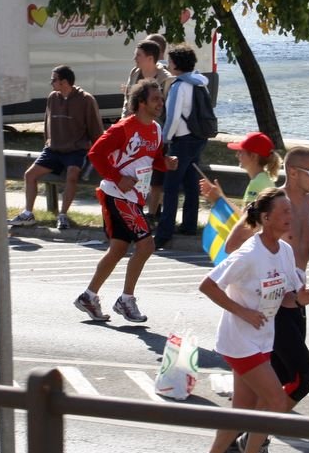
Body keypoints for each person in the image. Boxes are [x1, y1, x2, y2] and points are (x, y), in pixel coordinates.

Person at [193, 187, 309, 453]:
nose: (291, 216)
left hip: (263, 339)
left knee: (243, 410)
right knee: (275, 402)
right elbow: (207, 285)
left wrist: (298, 299)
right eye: (285, 212)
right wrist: (243, 311)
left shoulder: (284, 252)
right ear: (265, 218)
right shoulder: (249, 255)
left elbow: (286, 297)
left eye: (292, 210)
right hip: (239, 341)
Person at [219, 146, 309, 453]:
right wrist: (261, 277)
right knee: (303, 379)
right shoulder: (271, 204)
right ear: (294, 172)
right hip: (272, 305)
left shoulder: (308, 203)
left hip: (297, 301)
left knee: (281, 378)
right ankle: (255, 443)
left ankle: (236, 440)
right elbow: (232, 248)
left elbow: (305, 236)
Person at [74, 79, 177, 323]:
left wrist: (166, 163)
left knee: (118, 249)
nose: (160, 103)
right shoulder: (123, 128)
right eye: (155, 99)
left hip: (135, 196)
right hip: (117, 195)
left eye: (161, 98)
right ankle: (126, 300)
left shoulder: (156, 129)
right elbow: (95, 154)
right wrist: (118, 178)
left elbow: (153, 160)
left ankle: (88, 296)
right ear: (141, 103)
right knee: (146, 245)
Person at [8, 65, 104, 230]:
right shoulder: (53, 97)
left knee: (72, 175)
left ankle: (63, 215)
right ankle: (28, 214)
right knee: (30, 175)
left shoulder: (86, 99)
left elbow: (96, 128)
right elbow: (47, 123)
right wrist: (48, 142)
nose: (51, 83)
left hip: (76, 149)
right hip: (53, 149)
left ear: (64, 82)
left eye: (54, 80)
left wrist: (98, 152)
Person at [154, 43, 211, 249]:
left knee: (170, 188)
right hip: (198, 138)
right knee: (190, 184)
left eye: (169, 61)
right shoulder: (200, 82)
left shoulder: (179, 86)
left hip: (181, 141)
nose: (167, 64)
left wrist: (165, 139)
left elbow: (173, 118)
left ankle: (164, 232)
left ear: (176, 64)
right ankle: (188, 225)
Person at [120, 37, 174, 226]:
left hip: (154, 133)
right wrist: (123, 123)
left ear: (151, 58)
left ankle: (151, 215)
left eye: (138, 56)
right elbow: (128, 101)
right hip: (132, 132)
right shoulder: (135, 73)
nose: (135, 59)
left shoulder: (165, 79)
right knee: (134, 172)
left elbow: (166, 109)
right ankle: (134, 210)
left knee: (155, 177)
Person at [199, 131, 281, 214]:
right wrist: (221, 197)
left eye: (241, 151)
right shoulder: (262, 179)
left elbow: (245, 221)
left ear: (254, 156)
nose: (237, 155)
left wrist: (219, 199)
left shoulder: (257, 183)